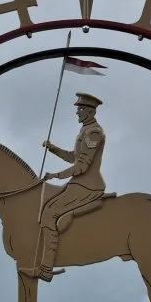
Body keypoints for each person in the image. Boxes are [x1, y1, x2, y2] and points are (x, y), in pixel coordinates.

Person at [29, 93, 106, 282]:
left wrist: (55, 175)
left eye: (80, 109)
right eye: (77, 109)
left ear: (89, 111)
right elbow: (74, 157)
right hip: (77, 184)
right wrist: (52, 148)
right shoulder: (85, 130)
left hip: (88, 186)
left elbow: (82, 166)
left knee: (49, 212)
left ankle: (46, 268)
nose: (77, 113)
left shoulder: (94, 132)